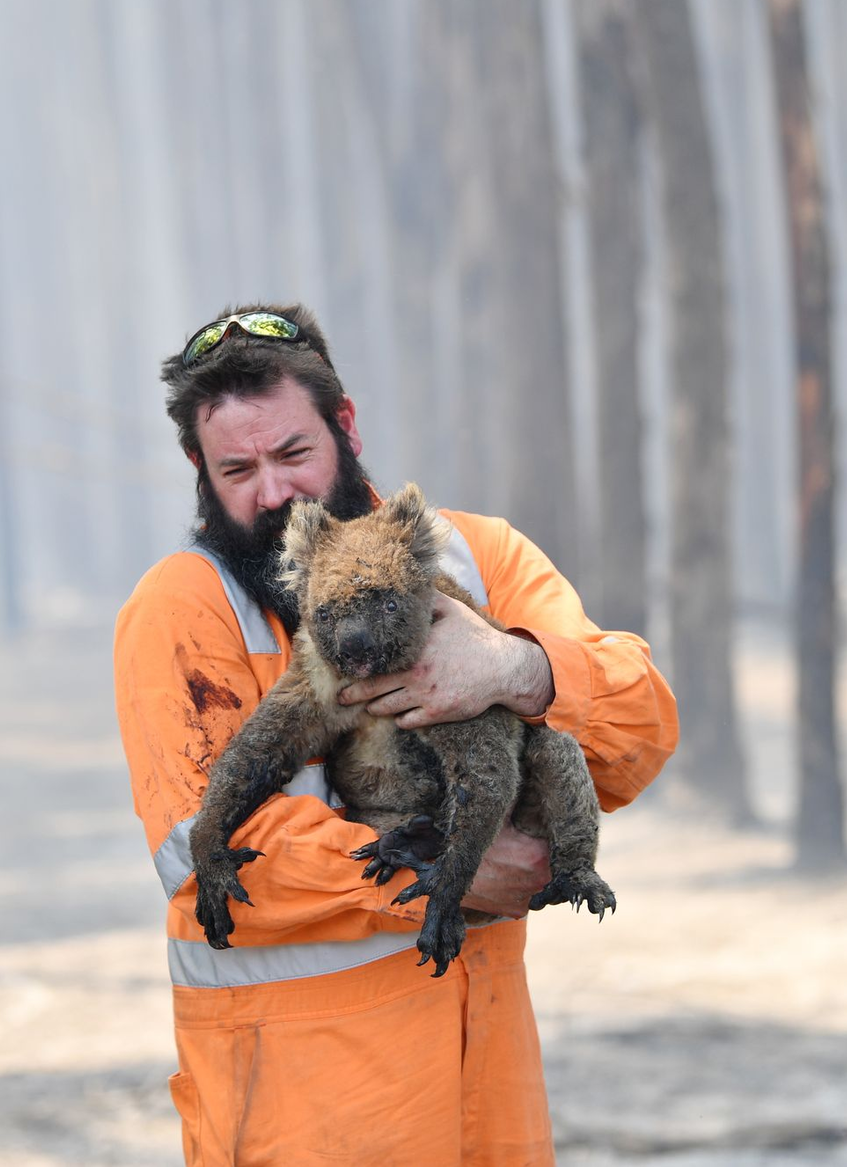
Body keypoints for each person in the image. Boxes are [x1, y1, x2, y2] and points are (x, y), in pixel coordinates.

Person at [114, 304, 679, 1166]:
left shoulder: (473, 557)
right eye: (237, 467)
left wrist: (514, 669)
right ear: (198, 467)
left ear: (345, 425)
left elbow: (641, 727)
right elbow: (204, 849)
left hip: (487, 1108)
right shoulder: (184, 609)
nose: (273, 492)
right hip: (298, 1122)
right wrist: (435, 872)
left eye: (294, 453)